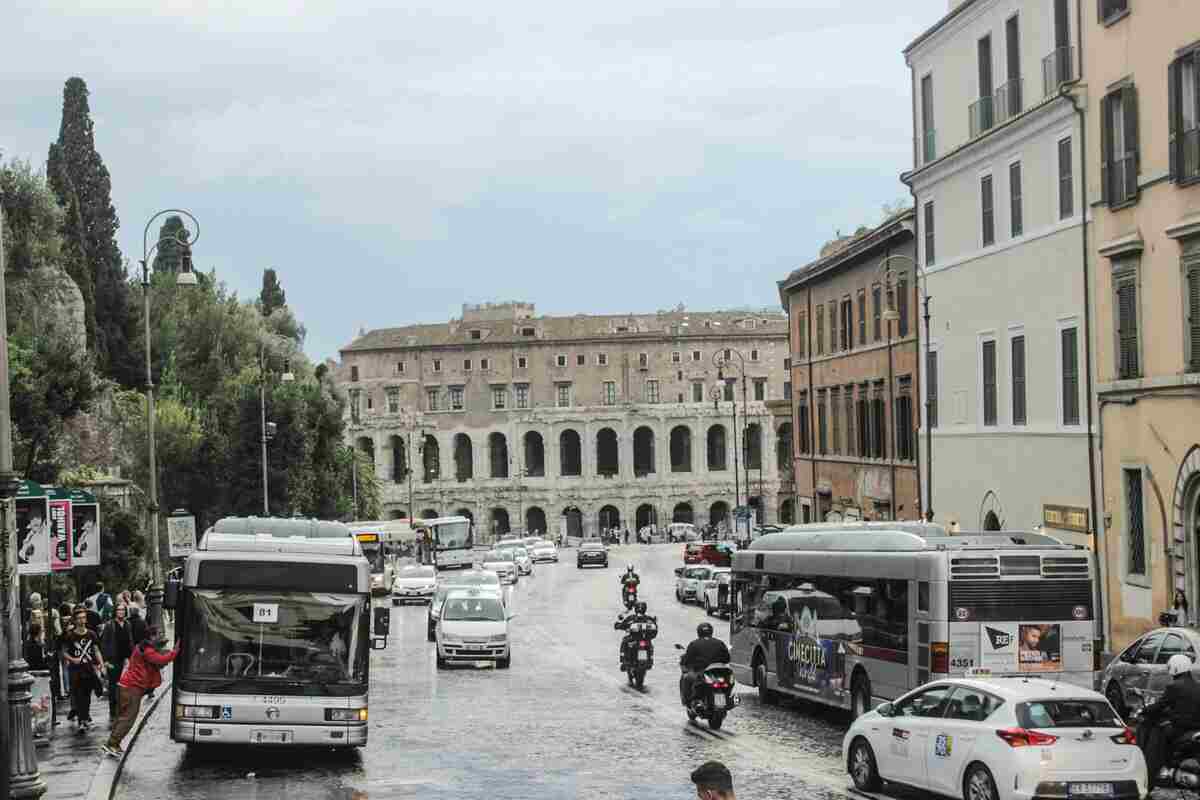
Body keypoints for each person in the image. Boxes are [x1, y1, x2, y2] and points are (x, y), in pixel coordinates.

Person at [104, 626, 178, 758]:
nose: (162, 636)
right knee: (128, 718)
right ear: (152, 636)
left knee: (122, 716)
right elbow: (161, 660)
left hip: (127, 685)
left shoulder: (144, 647)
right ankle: (111, 744)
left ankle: (113, 743)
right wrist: (175, 652)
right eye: (159, 634)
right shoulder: (148, 650)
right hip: (132, 687)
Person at [1138, 653, 1200, 781]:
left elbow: (1160, 705)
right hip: (1195, 727)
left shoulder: (1174, 686)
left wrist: (1144, 711)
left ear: (1175, 668)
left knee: (1157, 738)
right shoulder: (1197, 685)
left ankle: (1155, 771)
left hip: (1180, 728)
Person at [62, 605, 105, 732]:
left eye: (84, 618)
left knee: (87, 695)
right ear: (75, 620)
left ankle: (85, 718)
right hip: (75, 669)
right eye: (79, 618)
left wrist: (101, 663)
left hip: (88, 668)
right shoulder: (70, 636)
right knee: (78, 694)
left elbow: (96, 650)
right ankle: (82, 720)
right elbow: (63, 651)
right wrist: (72, 659)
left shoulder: (91, 634)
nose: (82, 620)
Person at [679, 622, 731, 707]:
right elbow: (727, 659)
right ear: (711, 631)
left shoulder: (694, 644)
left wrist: (686, 664)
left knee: (686, 678)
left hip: (702, 673)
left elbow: (686, 660)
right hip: (720, 673)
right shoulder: (720, 643)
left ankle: (688, 702)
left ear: (698, 632)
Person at [100, 605, 134, 719]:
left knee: (124, 685)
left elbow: (130, 641)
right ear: (115, 611)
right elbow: (104, 643)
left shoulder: (128, 624)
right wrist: (105, 661)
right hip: (113, 659)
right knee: (113, 685)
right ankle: (113, 711)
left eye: (123, 610)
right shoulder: (110, 625)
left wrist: (132, 657)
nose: (121, 612)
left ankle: (121, 708)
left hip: (125, 659)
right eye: (119, 610)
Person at [614, 601, 657, 667]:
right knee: (649, 645)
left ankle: (623, 659)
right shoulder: (649, 618)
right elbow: (655, 626)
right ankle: (650, 659)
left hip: (635, 639)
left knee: (624, 641)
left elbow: (623, 625)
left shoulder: (631, 618)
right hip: (645, 639)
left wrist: (618, 626)